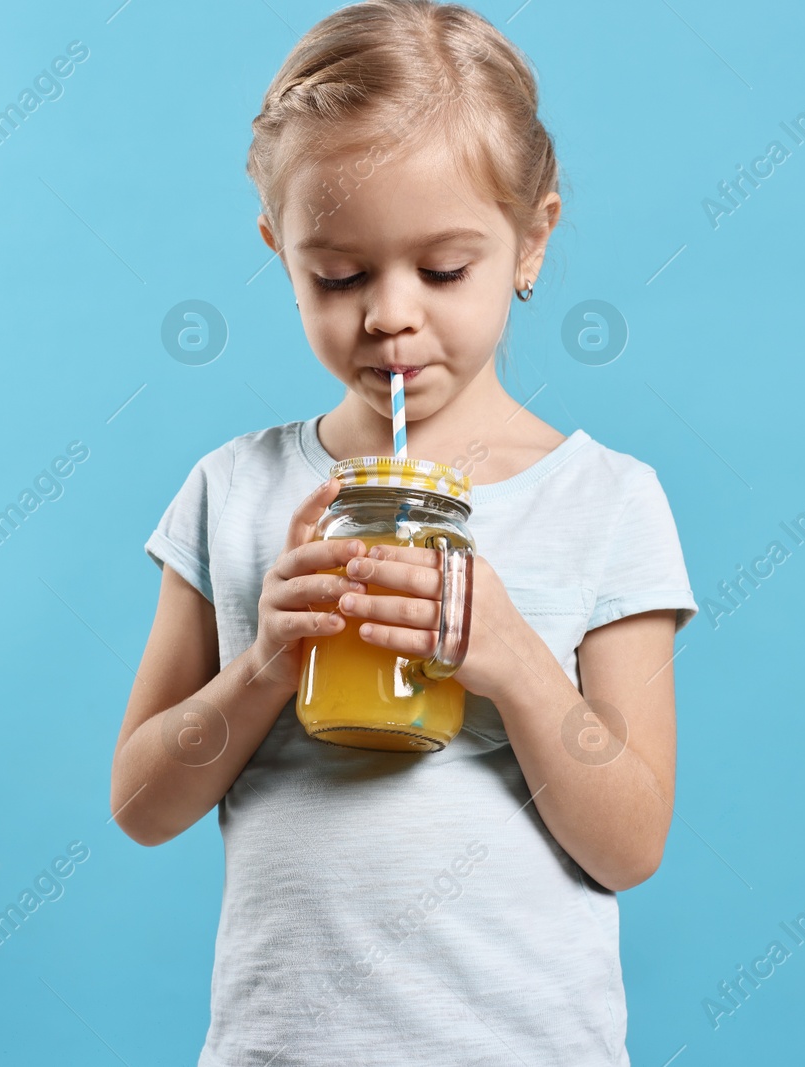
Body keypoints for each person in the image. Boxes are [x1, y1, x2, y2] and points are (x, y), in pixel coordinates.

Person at [110, 2, 697, 1062]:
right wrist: (264, 664)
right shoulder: (232, 490)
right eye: (337, 274)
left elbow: (629, 842)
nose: (388, 315)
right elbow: (143, 804)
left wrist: (511, 658)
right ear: (278, 250)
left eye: (441, 270)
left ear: (532, 238)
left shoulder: (605, 501)